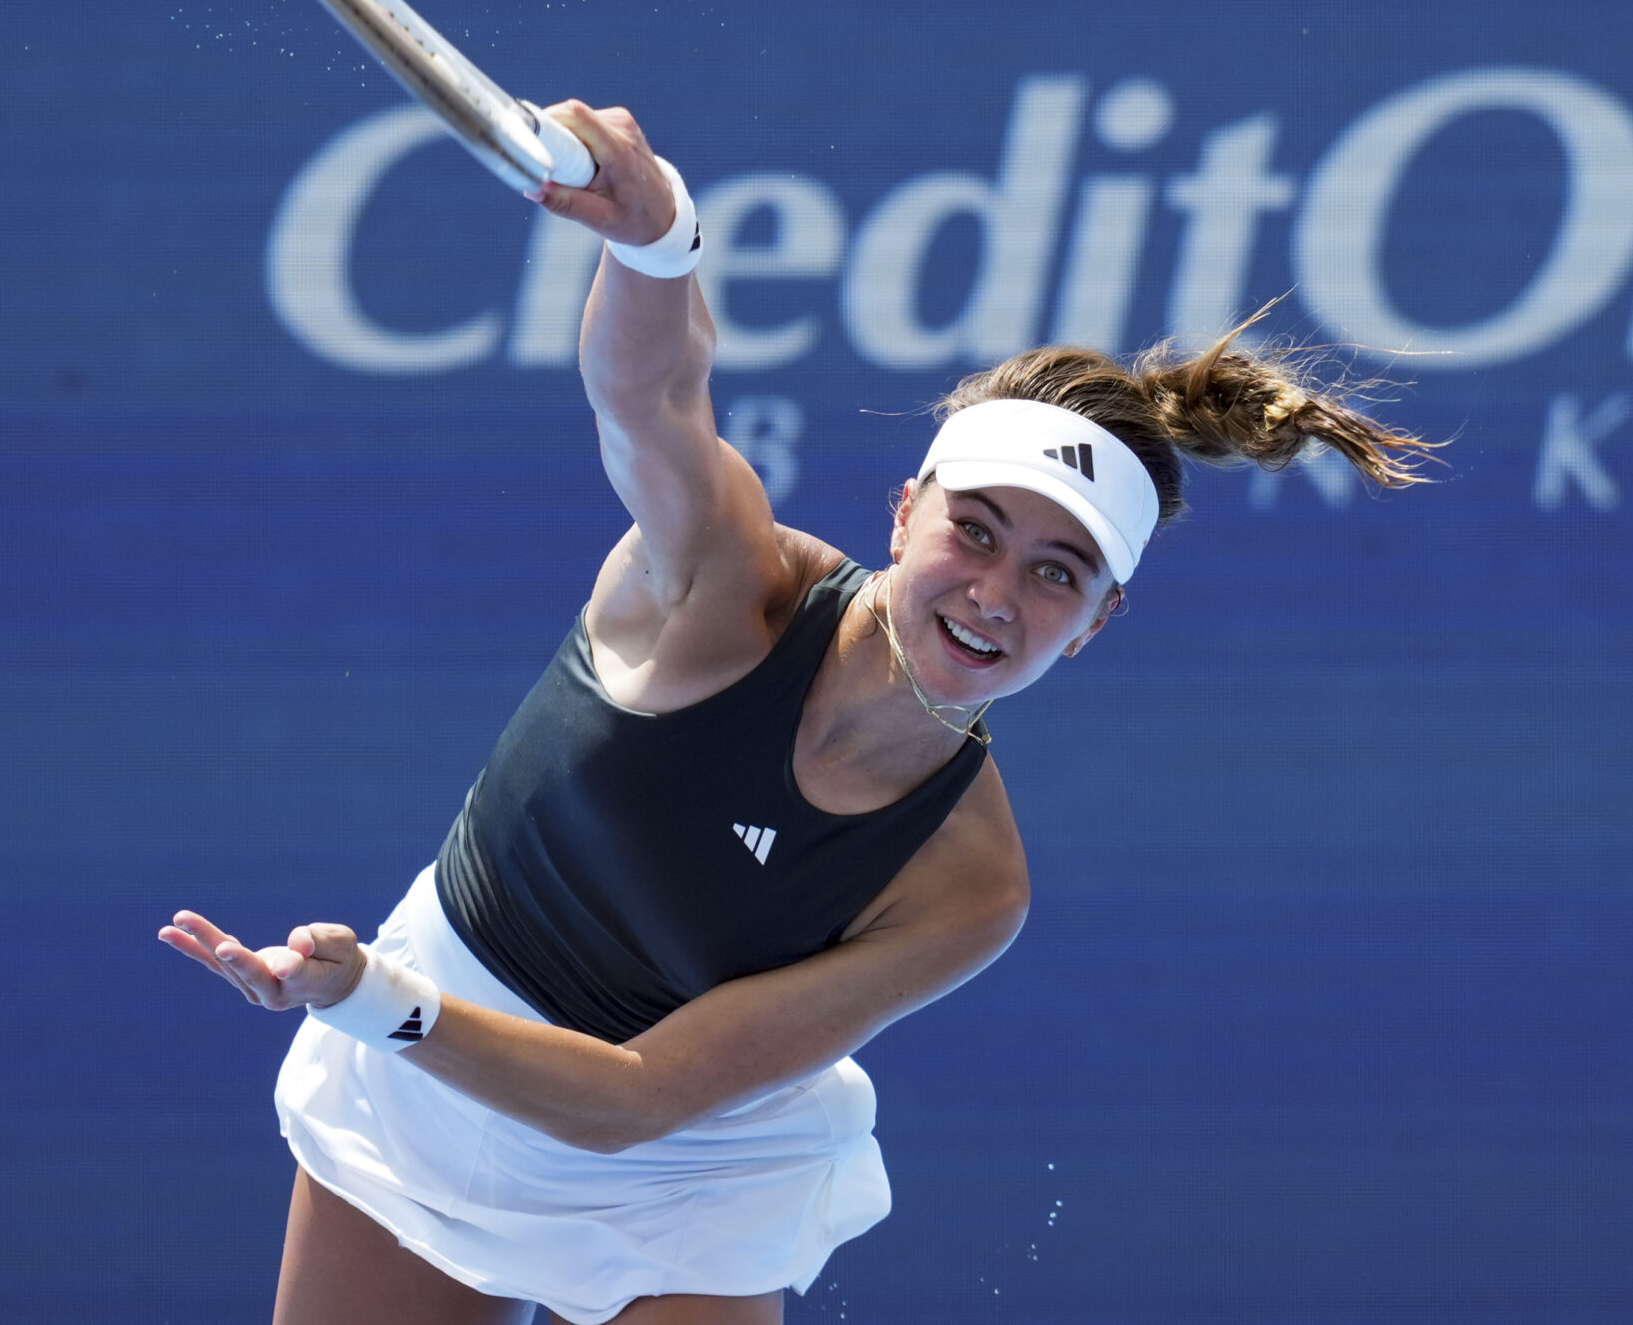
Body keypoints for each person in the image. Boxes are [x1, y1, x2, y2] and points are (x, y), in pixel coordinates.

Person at [161, 102, 1433, 1324]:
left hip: (679, 1156)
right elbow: (651, 400)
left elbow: (638, 1097)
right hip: (426, 1054)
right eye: (973, 533)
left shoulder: (967, 887)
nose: (993, 595)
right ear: (902, 509)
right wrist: (653, 242)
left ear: (1097, 622)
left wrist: (374, 1002)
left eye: (1056, 574)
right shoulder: (726, 587)